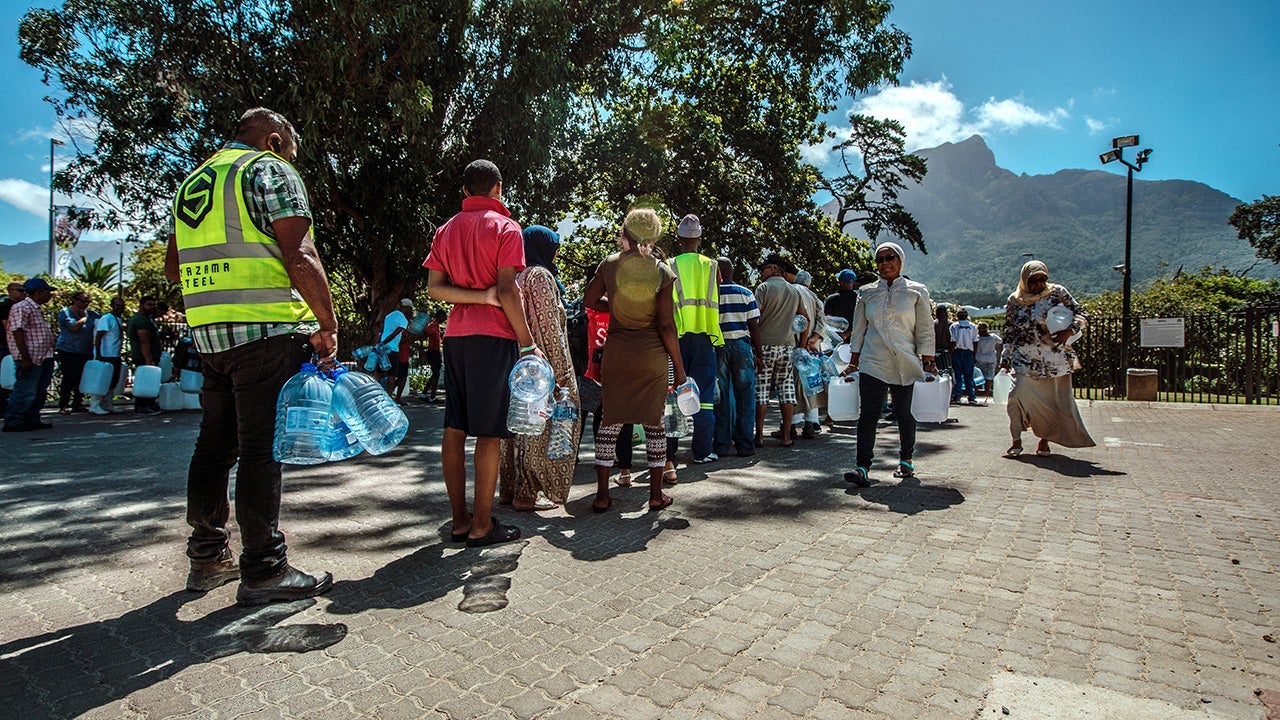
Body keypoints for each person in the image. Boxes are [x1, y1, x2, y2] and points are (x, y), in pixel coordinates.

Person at [165, 107, 340, 604]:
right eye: (291, 151)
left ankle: (206, 558)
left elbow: (174, 267)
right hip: (265, 330)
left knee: (214, 447)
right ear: (274, 139)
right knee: (261, 450)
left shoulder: (195, 181)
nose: (290, 159)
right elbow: (299, 253)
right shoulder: (267, 169)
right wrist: (327, 323)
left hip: (210, 335)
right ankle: (264, 569)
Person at [424, 159, 537, 548]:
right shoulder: (506, 227)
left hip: (456, 336)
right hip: (494, 338)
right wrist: (528, 343)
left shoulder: (446, 230)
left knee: (454, 428)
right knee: (489, 433)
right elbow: (506, 290)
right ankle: (482, 525)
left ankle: (460, 521)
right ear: (498, 188)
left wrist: (474, 297)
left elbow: (435, 289)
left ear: (465, 191)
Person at [584, 208, 686, 513]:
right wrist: (679, 368)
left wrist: (616, 305)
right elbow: (666, 325)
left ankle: (602, 495)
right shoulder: (662, 271)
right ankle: (655, 495)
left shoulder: (609, 264)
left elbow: (589, 300)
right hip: (651, 356)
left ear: (626, 231)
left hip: (617, 353)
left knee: (609, 422)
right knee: (655, 425)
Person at [499, 224, 580, 512]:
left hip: (518, 367)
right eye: (555, 247)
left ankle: (509, 489)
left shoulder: (517, 276)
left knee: (518, 427)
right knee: (541, 429)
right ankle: (528, 494)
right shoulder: (540, 276)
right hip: (541, 367)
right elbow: (549, 328)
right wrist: (561, 375)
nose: (557, 253)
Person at [842, 242, 936, 485]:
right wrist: (853, 362)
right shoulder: (866, 293)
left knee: (903, 413)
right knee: (868, 414)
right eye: (880, 259)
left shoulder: (916, 291)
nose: (884, 263)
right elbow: (859, 330)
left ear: (900, 261)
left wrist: (928, 360)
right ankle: (862, 467)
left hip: (905, 360)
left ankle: (906, 459)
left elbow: (925, 329)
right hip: (873, 360)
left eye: (890, 258)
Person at [1000, 260, 1095, 457]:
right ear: (1025, 280)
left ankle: (1044, 440)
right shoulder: (1015, 300)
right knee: (1015, 396)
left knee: (1052, 404)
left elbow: (1082, 313)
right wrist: (1005, 358)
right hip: (1024, 358)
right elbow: (1009, 331)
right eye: (1033, 281)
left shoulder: (1057, 293)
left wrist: (1069, 331)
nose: (1038, 285)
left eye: (1042, 279)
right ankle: (1016, 440)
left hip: (1053, 360)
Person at [668, 214, 721, 464]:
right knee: (705, 397)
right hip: (705, 334)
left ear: (679, 240)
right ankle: (702, 451)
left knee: (672, 393)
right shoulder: (712, 266)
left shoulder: (669, 265)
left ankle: (668, 454)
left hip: (676, 336)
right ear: (699, 239)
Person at [753, 253, 809, 448]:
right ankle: (786, 436)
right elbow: (805, 319)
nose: (761, 273)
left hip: (765, 345)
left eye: (763, 269)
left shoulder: (763, 288)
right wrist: (801, 346)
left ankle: (759, 437)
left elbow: (754, 317)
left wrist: (755, 348)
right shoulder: (794, 291)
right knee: (786, 392)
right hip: (787, 346)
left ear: (773, 269)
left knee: (761, 392)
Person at [713, 257, 761, 457]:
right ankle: (745, 445)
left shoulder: (711, 294)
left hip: (718, 346)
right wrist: (759, 353)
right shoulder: (746, 293)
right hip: (741, 346)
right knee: (745, 397)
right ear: (732, 271)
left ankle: (721, 445)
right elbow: (754, 327)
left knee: (721, 398)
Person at [3, 278, 58, 432]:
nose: (49, 295)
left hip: (43, 355)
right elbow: (17, 331)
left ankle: (31, 419)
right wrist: (24, 357)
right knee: (26, 390)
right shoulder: (22, 307)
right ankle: (14, 420)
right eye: (47, 292)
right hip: (31, 356)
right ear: (39, 292)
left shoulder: (36, 309)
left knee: (39, 390)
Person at [789, 269, 826, 439]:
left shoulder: (792, 291)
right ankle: (811, 423)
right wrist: (814, 339)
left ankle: (791, 424)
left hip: (796, 345)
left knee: (793, 385)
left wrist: (802, 342)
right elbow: (821, 320)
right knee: (812, 385)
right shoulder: (815, 297)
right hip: (812, 347)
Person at [55, 290, 97, 414]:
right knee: (69, 376)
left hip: (85, 350)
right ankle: (64, 404)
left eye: (88, 301)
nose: (86, 304)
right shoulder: (66, 313)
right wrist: (84, 318)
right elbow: (73, 327)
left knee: (82, 377)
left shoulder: (91, 313)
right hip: (68, 349)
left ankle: (78, 403)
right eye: (83, 301)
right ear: (75, 300)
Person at [90, 296, 127, 414]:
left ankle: (108, 404)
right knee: (102, 380)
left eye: (122, 306)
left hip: (115, 355)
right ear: (112, 306)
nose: (120, 308)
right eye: (117, 305)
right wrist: (98, 354)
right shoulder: (107, 318)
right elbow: (99, 336)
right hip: (106, 355)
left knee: (112, 381)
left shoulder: (118, 319)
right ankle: (94, 405)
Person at [127, 295, 163, 415]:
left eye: (153, 305)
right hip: (143, 356)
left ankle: (150, 404)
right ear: (142, 305)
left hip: (148, 355)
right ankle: (143, 406)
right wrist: (148, 359)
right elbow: (144, 340)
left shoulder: (147, 318)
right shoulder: (141, 320)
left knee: (149, 380)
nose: (152, 307)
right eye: (149, 305)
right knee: (145, 381)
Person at [0, 281, 28, 416]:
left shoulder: (20, 306)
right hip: (6, 345)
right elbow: (9, 328)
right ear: (10, 291)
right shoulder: (6, 306)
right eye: (20, 290)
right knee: (6, 376)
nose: (23, 293)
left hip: (13, 345)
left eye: (24, 291)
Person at [378, 298, 413, 402]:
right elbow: (395, 334)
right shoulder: (403, 319)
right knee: (392, 374)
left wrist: (381, 343)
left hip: (382, 348)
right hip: (392, 348)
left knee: (381, 373)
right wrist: (385, 342)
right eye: (410, 309)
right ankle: (389, 398)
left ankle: (381, 396)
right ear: (406, 307)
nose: (410, 311)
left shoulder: (389, 315)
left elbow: (383, 329)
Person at [949, 308, 979, 405]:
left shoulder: (954, 326)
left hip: (957, 352)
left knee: (957, 375)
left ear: (957, 316)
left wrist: (951, 354)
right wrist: (974, 354)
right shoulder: (973, 326)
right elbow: (975, 341)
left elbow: (953, 341)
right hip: (968, 353)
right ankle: (971, 397)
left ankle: (957, 396)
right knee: (969, 375)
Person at [824, 269, 860, 338]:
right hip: (856, 339)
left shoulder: (831, 299)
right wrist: (846, 335)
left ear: (841, 282)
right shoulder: (859, 299)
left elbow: (827, 320)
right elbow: (861, 321)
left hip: (834, 339)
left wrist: (839, 335)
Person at [420, 309, 446, 403]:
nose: (444, 319)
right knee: (436, 374)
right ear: (439, 316)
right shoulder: (433, 325)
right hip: (432, 352)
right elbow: (425, 334)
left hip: (436, 351)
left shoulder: (437, 326)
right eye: (443, 317)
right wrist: (422, 348)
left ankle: (424, 393)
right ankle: (432, 396)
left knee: (435, 373)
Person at [974, 322, 1002, 396]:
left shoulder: (977, 338)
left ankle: (976, 391)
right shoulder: (993, 337)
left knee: (977, 376)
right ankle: (987, 392)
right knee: (989, 376)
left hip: (979, 358)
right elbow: (1000, 341)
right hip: (991, 359)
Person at [932, 305, 952, 376]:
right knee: (949, 371)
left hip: (936, 349)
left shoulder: (934, 324)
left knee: (938, 371)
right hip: (948, 350)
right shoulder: (951, 324)